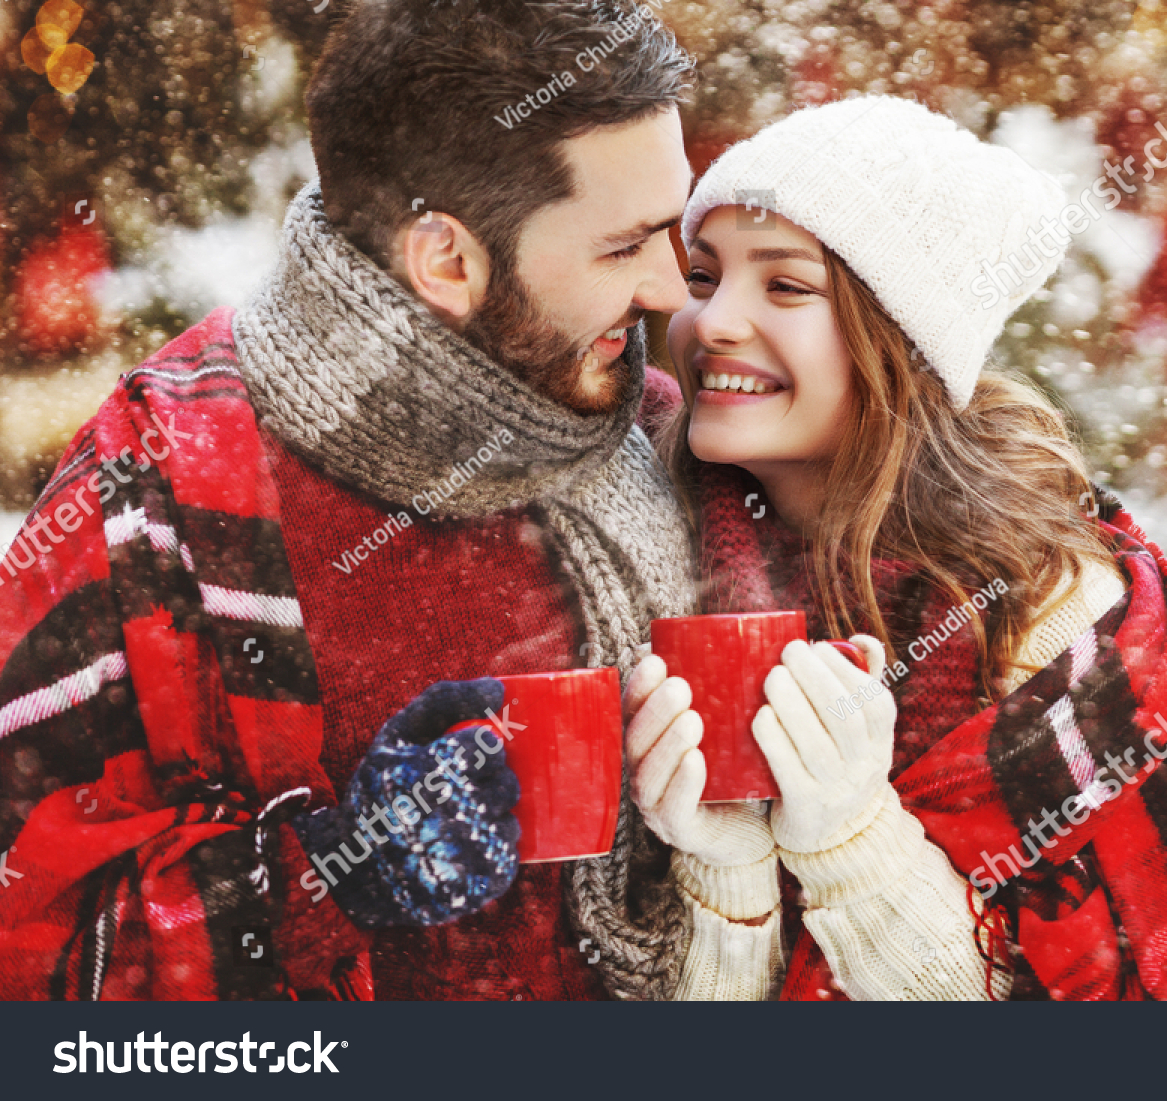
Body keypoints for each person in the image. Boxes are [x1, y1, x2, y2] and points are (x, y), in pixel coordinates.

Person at [0, 0, 700, 1001]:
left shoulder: (671, 441)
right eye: (625, 246)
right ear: (447, 261)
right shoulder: (159, 493)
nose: (675, 289)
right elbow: (29, 944)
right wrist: (327, 874)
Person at [624, 95, 1167, 1000]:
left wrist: (850, 840)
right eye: (703, 277)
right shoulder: (644, 550)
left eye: (784, 285)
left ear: (901, 337)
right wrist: (728, 871)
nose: (713, 322)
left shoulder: (1055, 634)